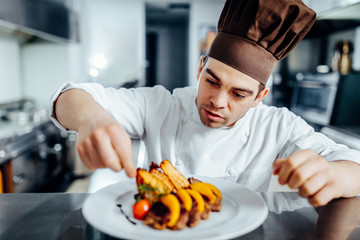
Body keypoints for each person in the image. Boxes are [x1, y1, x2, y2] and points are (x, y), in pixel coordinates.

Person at [50, 0, 360, 210]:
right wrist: (90, 117)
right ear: (200, 69)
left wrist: (333, 175)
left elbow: (352, 165)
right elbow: (70, 96)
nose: (217, 101)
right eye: (212, 81)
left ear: (259, 97)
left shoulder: (278, 127)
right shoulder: (162, 105)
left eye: (239, 94)